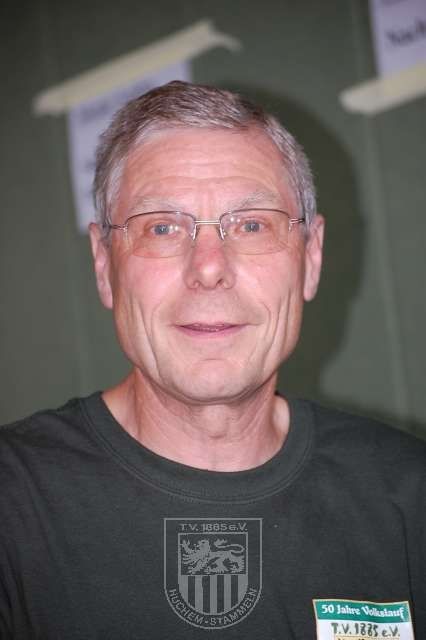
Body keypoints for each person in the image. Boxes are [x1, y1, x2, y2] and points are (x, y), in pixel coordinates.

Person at [0, 81, 424, 640]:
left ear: (312, 258)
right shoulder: (13, 503)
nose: (207, 268)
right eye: (162, 227)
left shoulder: (409, 495)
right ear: (105, 265)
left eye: (251, 225)